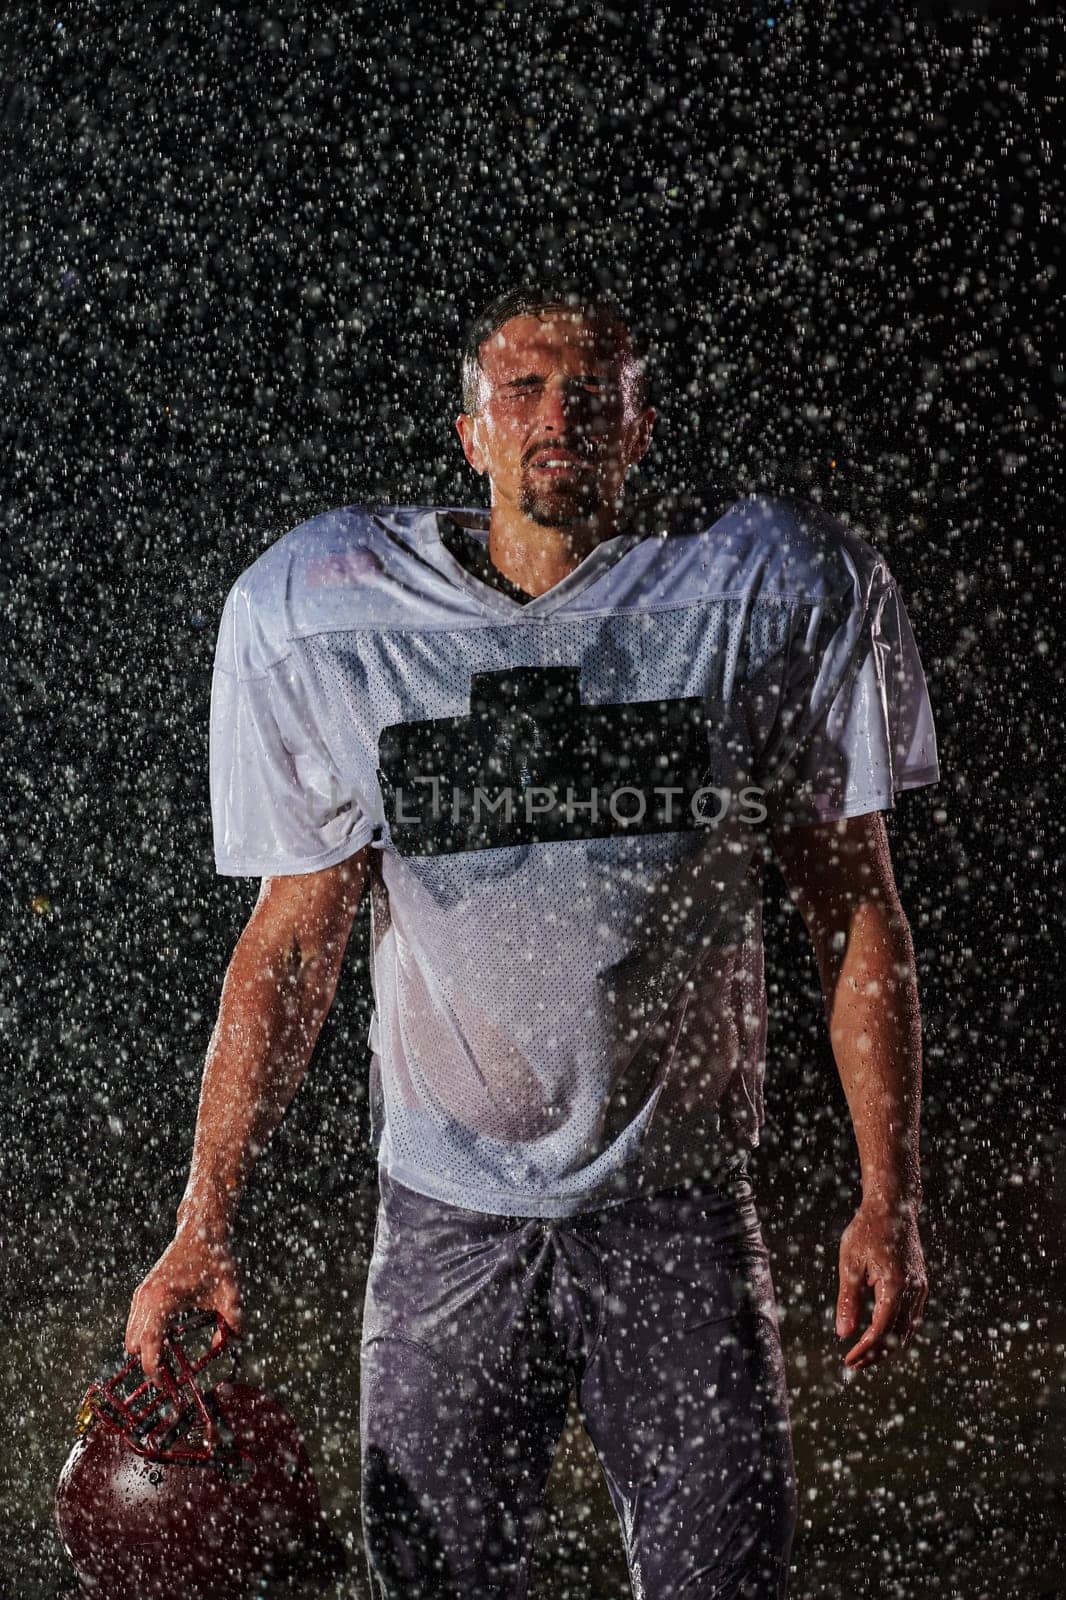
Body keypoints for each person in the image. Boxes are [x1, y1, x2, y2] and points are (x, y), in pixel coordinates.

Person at [125, 285, 939, 1598]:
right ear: (468, 433)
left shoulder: (761, 594)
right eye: (522, 390)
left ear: (638, 430)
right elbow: (286, 947)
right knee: (433, 1581)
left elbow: (852, 909)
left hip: (675, 1212)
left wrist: (885, 1196)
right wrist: (201, 1222)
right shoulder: (329, 613)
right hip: (448, 1214)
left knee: (722, 1579)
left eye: (589, 393)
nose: (555, 413)